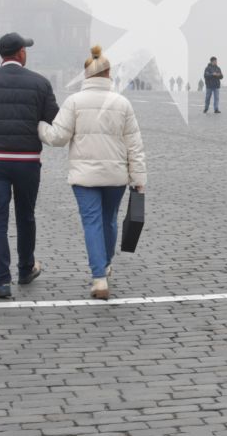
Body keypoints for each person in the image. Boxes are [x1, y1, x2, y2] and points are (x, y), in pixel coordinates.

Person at [39, 44, 147, 300]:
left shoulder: (74, 102)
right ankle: (106, 263)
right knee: (109, 219)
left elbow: (57, 138)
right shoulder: (122, 103)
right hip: (115, 175)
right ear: (108, 74)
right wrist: (139, 179)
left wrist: (40, 126)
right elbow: (135, 144)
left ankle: (99, 278)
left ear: (86, 75)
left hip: (84, 177)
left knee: (92, 222)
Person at [0, 32, 59, 299]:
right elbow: (54, 117)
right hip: (27, 161)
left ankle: (2, 281)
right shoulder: (40, 83)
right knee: (26, 216)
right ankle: (26, 268)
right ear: (20, 54)